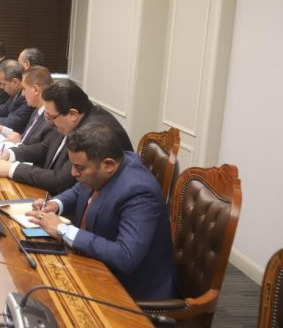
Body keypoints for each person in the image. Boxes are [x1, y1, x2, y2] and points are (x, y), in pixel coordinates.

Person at [27, 123, 177, 300]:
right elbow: (80, 190)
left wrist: (62, 229)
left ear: (108, 165)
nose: (73, 173)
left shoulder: (139, 192)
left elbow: (125, 256)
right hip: (94, 265)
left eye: (79, 168)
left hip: (128, 291)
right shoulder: (106, 167)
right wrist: (55, 204)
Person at [0, 79, 132, 195]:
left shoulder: (94, 131)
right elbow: (45, 147)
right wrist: (11, 154)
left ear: (72, 114)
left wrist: (11, 169)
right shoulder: (71, 118)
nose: (49, 122)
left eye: (51, 117)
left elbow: (61, 181)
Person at [0, 65, 54, 146]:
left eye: (24, 89)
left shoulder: (49, 120)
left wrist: (18, 144)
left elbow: (37, 151)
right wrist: (2, 130)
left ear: (36, 90)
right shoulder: (37, 111)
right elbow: (25, 138)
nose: (23, 94)